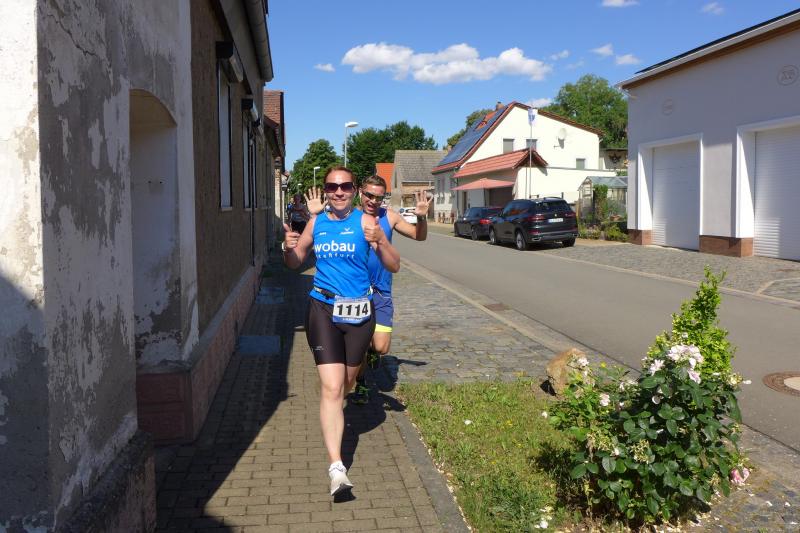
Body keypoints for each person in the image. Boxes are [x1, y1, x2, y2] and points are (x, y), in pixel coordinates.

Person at [282, 167, 400, 497]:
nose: (338, 192)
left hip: (359, 312)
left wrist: (381, 241)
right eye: (332, 186)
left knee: (346, 383)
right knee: (332, 387)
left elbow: (394, 265)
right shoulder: (316, 223)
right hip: (322, 307)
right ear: (326, 190)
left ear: (354, 190)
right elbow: (295, 262)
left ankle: (340, 399)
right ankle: (336, 467)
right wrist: (287, 248)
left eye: (345, 186)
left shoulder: (366, 222)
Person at [306, 177, 432, 404]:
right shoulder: (349, 216)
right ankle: (361, 381)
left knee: (381, 347)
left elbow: (419, 236)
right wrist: (316, 213)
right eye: (369, 195)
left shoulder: (390, 217)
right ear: (360, 193)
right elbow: (324, 229)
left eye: (379, 197)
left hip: (380, 291)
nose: (373, 201)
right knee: (358, 345)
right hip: (354, 293)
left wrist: (421, 217)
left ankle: (369, 353)